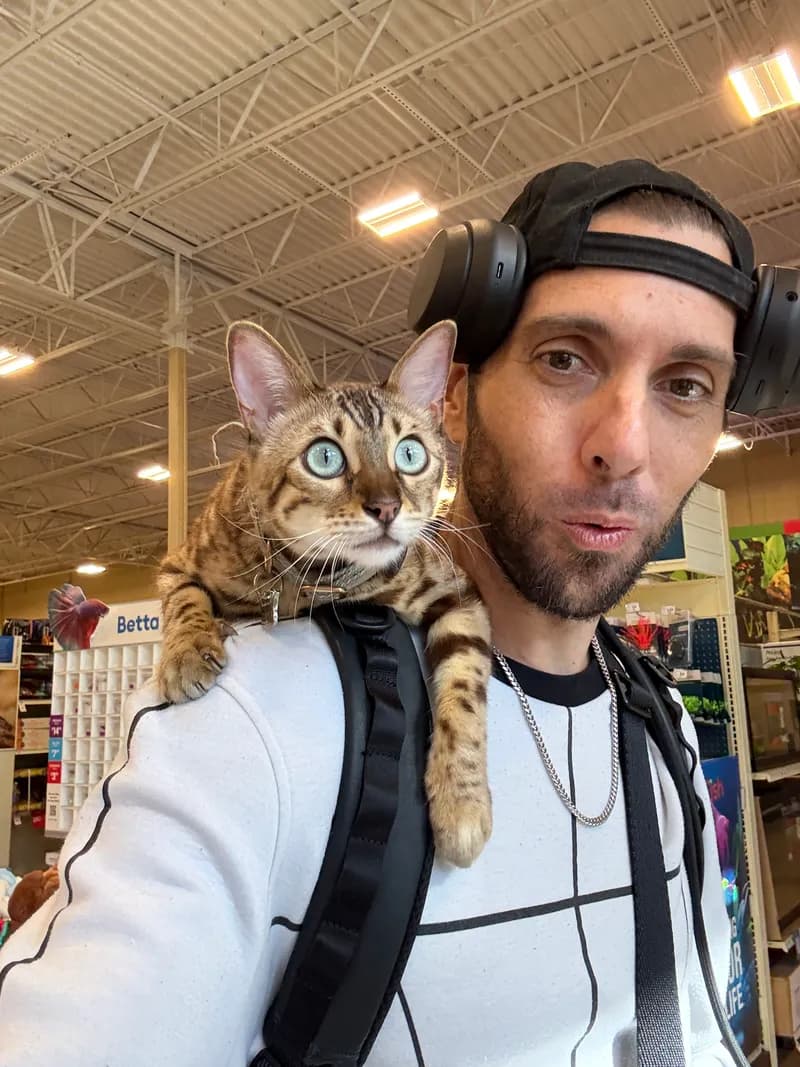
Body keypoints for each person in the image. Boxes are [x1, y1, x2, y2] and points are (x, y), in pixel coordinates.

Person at [0, 159, 746, 1066]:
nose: (623, 447)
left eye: (686, 383)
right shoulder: (247, 727)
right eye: (564, 359)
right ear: (456, 401)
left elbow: (702, 1025)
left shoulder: (660, 719)